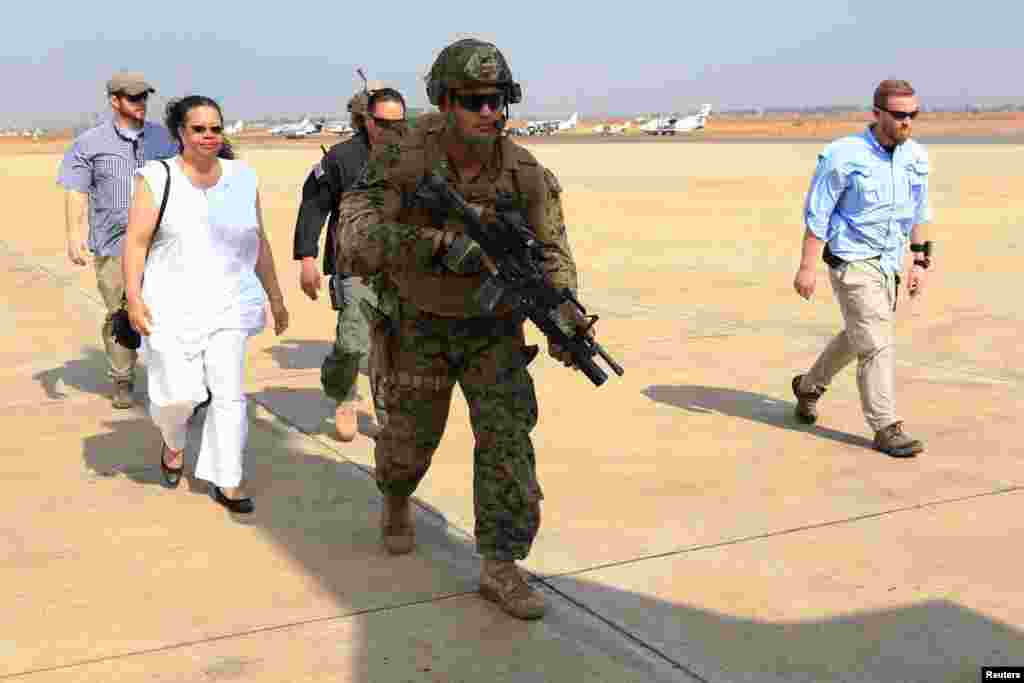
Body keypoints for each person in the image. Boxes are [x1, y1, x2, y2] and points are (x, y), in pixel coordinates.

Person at [337, 38, 592, 620]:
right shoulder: (403, 158)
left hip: (493, 333)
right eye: (475, 101)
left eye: (498, 100)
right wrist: (438, 246)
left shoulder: (525, 172)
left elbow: (551, 251)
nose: (489, 112)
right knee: (407, 446)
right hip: (417, 326)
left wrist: (565, 313)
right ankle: (396, 495)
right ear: (445, 102)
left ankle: (500, 566)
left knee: (508, 449)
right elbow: (354, 239)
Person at [122, 96, 289, 513]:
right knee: (177, 396)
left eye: (215, 128)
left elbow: (259, 242)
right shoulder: (156, 178)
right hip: (170, 306)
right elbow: (136, 244)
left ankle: (227, 479)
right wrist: (133, 298)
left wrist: (276, 296)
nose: (209, 136)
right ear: (180, 132)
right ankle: (173, 441)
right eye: (199, 129)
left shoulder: (242, 177)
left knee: (230, 395)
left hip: (229, 303)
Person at [792, 79, 933, 458]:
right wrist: (807, 267)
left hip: (888, 263)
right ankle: (886, 426)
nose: (907, 122)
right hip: (851, 261)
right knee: (876, 343)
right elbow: (817, 215)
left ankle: (809, 386)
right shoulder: (843, 156)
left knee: (859, 335)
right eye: (899, 115)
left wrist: (920, 261)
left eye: (913, 115)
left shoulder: (915, 157)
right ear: (877, 114)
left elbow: (918, 213)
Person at [293, 84, 407, 441]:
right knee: (353, 343)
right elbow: (314, 205)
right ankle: (343, 395)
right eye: (383, 123)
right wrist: (307, 259)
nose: (392, 130)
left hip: (401, 269)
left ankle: (389, 417)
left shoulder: (415, 156)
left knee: (393, 349)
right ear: (367, 121)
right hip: (353, 265)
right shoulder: (341, 159)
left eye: (398, 123)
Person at [57, 72, 178, 408]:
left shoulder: (163, 140)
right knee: (121, 315)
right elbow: (76, 190)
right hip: (113, 246)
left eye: (143, 98)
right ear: (115, 101)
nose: (140, 104)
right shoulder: (89, 143)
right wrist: (73, 235)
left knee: (169, 313)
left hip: (161, 245)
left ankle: (171, 382)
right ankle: (122, 379)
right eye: (133, 98)